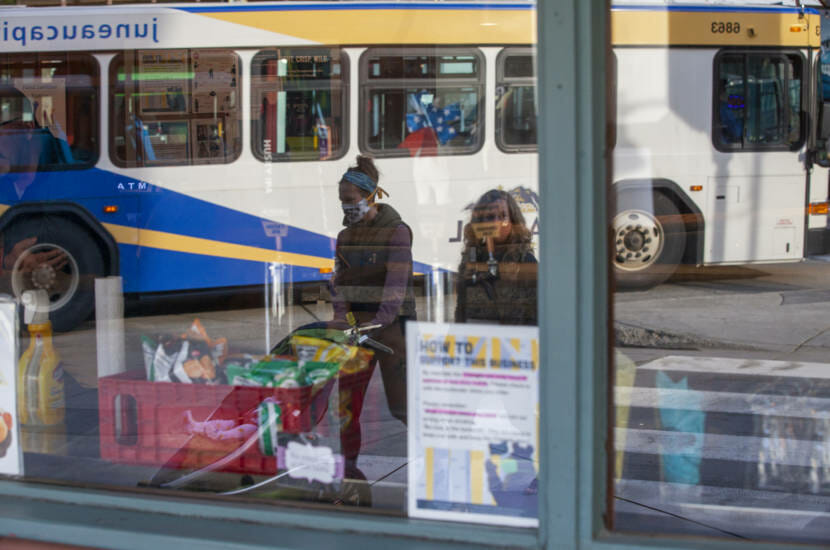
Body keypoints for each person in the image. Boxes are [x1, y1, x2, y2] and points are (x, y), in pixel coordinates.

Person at [331, 155, 416, 462]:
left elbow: (396, 288)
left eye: (350, 200)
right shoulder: (345, 236)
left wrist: (376, 323)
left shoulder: (397, 232)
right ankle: (348, 464)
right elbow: (339, 281)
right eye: (341, 200)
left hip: (390, 331)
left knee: (400, 405)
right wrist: (340, 317)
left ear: (370, 196)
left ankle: (430, 459)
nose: (345, 206)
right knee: (346, 405)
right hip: (356, 329)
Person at [455, 189, 537, 326]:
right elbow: (461, 314)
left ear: (513, 221)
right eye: (490, 216)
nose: (496, 223)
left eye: (503, 216)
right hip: (477, 342)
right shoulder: (471, 261)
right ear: (479, 222)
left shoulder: (526, 262)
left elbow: (536, 318)